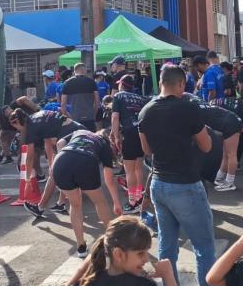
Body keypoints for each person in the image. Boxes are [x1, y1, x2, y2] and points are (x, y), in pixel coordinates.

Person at [138, 64, 234, 286]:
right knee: (204, 246)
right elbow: (206, 146)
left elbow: (146, 150)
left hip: (159, 183)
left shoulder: (146, 110)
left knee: (167, 245)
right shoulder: (188, 107)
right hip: (186, 184)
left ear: (161, 82)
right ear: (181, 84)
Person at [57, 216, 185, 286]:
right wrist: (169, 276)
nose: (146, 259)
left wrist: (83, 269)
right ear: (118, 254)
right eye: (140, 253)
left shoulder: (90, 282)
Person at [47, 129, 123, 257]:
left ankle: (81, 246)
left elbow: (59, 143)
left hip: (61, 161)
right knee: (99, 202)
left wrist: (57, 163)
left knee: (75, 204)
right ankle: (113, 240)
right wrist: (116, 202)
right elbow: (109, 180)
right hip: (85, 161)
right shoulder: (103, 144)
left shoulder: (80, 131)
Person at [10, 101, 84, 217]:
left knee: (55, 174)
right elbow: (48, 141)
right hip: (76, 129)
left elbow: (29, 157)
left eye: (16, 128)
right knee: (58, 171)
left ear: (18, 122)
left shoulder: (30, 128)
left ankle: (40, 208)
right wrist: (50, 162)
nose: (18, 130)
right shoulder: (37, 115)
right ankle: (60, 203)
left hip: (69, 134)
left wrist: (27, 180)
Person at [108, 75, 151, 212]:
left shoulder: (118, 96)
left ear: (122, 84)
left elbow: (115, 117)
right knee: (138, 168)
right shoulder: (140, 98)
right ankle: (138, 197)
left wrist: (116, 136)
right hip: (141, 133)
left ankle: (133, 202)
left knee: (129, 170)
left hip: (129, 133)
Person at [188, 96, 243, 192]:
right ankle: (219, 178)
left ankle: (230, 183)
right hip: (232, 120)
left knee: (231, 154)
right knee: (225, 154)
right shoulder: (199, 106)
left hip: (231, 123)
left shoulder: (193, 112)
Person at [61, 63, 101, 131]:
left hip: (74, 119)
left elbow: (63, 104)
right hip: (89, 117)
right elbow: (97, 101)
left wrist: (69, 117)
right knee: (90, 137)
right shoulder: (92, 82)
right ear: (84, 70)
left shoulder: (67, 83)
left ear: (74, 71)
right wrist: (93, 115)